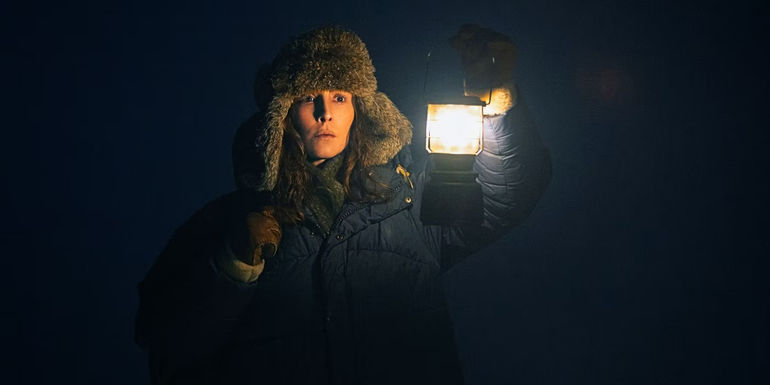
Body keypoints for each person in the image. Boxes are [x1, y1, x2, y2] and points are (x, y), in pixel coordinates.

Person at [135, 25, 551, 385]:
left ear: (360, 109)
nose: (324, 113)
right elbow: (168, 342)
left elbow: (506, 193)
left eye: (339, 97)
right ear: (282, 114)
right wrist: (232, 266)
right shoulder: (230, 221)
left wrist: (495, 99)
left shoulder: (406, 203)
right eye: (308, 97)